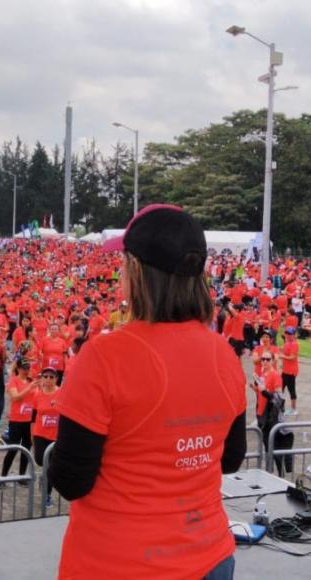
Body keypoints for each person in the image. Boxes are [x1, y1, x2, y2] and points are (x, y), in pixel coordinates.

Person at [51, 204, 247, 579]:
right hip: (210, 554)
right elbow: (231, 459)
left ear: (135, 270)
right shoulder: (224, 353)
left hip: (119, 562)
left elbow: (71, 480)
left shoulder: (104, 356)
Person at [0, 359, 34, 482]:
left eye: (28, 368)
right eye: (24, 368)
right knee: (13, 449)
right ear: (18, 369)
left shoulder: (31, 381)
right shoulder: (13, 381)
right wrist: (29, 388)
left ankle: (22, 476)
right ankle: (3, 476)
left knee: (26, 449)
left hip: (29, 421)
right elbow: (15, 397)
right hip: (16, 420)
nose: (26, 371)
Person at [31, 366, 61, 507]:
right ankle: (44, 476)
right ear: (42, 378)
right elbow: (33, 417)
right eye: (46, 376)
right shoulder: (37, 394)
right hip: (40, 433)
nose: (48, 379)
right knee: (40, 460)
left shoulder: (62, 393)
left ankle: (47, 495)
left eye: (51, 377)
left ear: (56, 379)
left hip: (55, 436)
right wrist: (32, 435)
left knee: (50, 465)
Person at [278, 327, 300, 415]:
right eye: (287, 333)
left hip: (291, 371)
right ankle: (279, 407)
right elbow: (284, 350)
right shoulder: (287, 342)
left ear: (294, 335)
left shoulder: (295, 344)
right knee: (280, 389)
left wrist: (281, 356)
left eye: (290, 334)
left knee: (291, 390)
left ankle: (294, 409)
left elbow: (292, 357)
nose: (288, 335)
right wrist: (278, 349)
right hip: (285, 370)